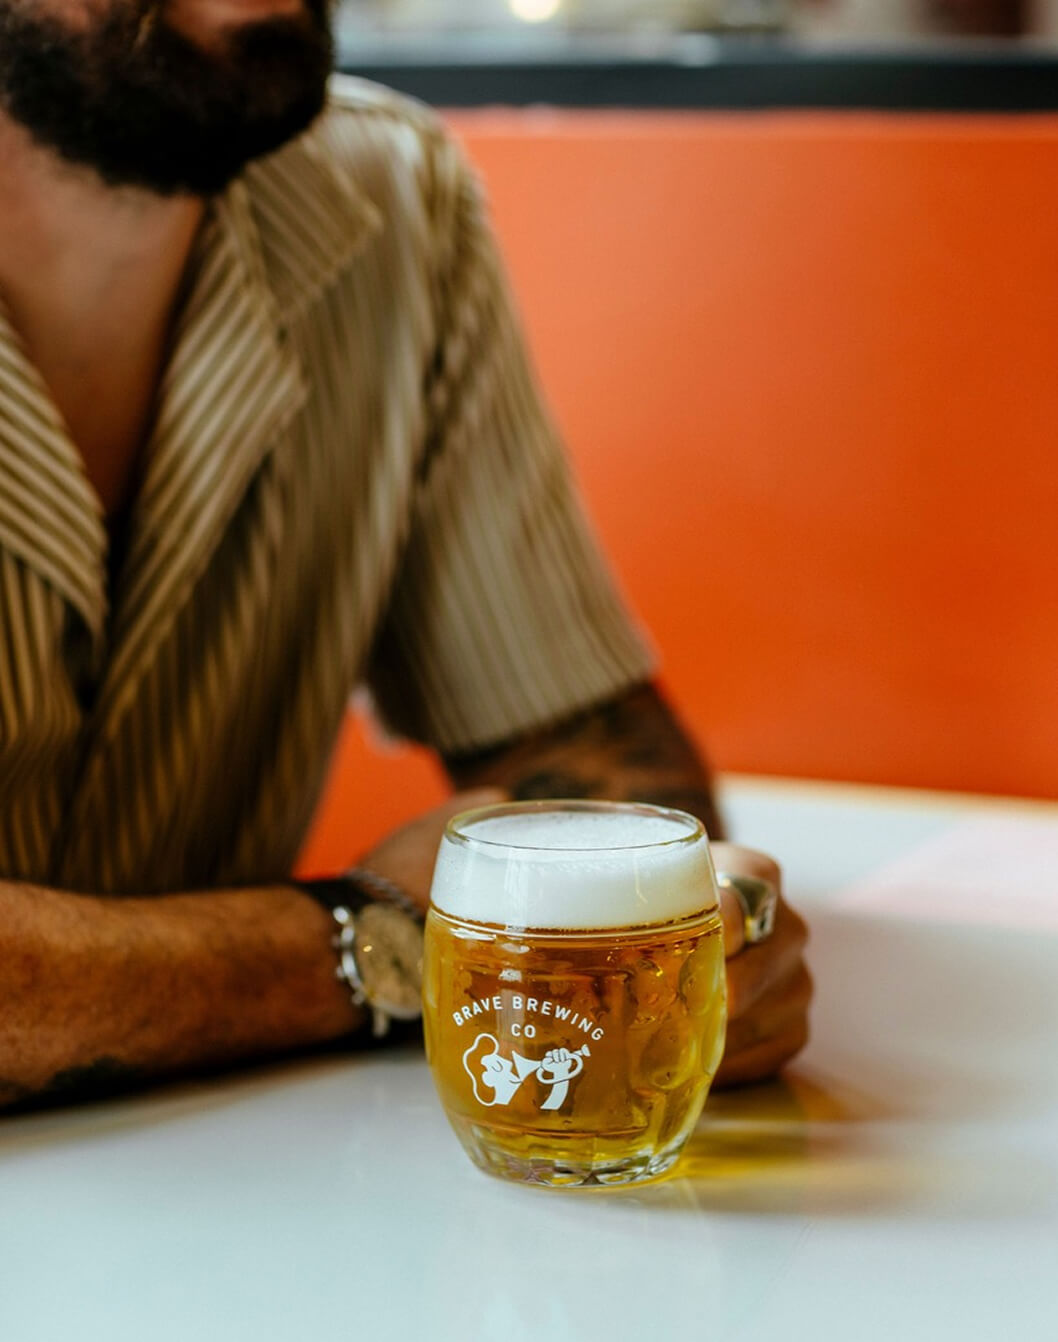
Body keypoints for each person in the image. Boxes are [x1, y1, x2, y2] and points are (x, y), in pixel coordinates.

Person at [0, 0, 811, 1111]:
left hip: (237, 1211)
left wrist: (688, 934)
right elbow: (421, 914)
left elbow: (602, 766)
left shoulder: (389, 197)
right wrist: (365, 944)